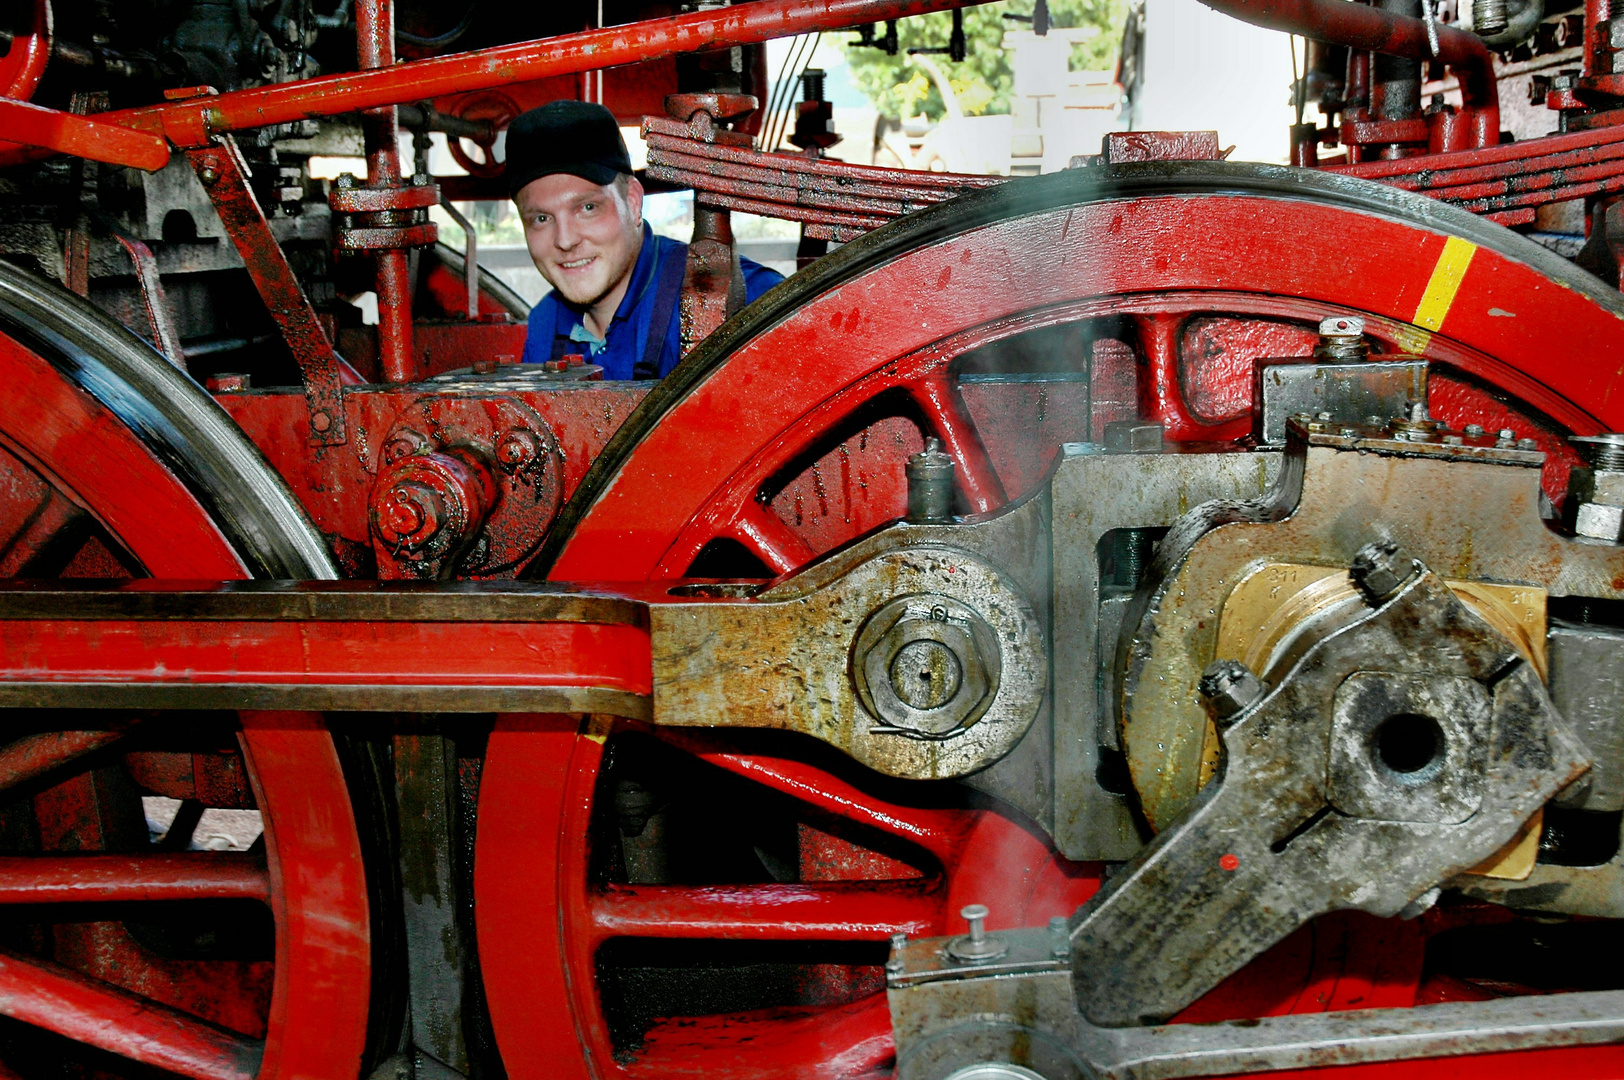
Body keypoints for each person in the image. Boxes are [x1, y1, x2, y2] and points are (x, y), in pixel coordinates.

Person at [505, 100, 783, 379]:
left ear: (633, 201)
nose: (565, 241)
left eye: (587, 208)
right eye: (541, 219)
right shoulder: (545, 324)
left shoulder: (752, 299)